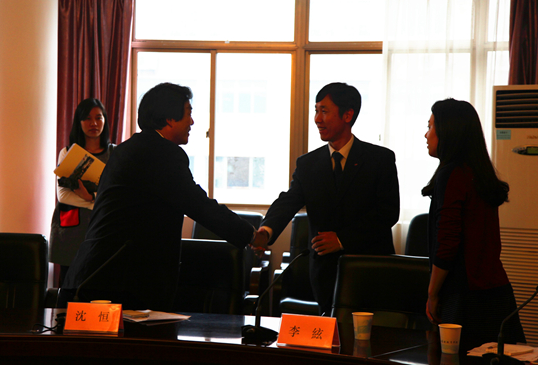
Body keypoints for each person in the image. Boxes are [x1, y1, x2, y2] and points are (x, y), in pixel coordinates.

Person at [59, 83, 268, 310]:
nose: (192, 121)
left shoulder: (126, 149)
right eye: (188, 113)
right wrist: (251, 235)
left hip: (91, 277)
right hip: (118, 285)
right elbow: (199, 205)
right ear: (170, 119)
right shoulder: (163, 154)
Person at [258, 82, 400, 315]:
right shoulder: (308, 164)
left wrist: (342, 239)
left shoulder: (379, 159)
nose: (317, 119)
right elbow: (289, 201)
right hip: (325, 274)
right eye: (316, 111)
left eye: (324, 111)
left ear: (347, 115)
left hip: (369, 270)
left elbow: (388, 213)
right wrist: (266, 231)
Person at [423, 98, 525, 349]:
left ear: (448, 131)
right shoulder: (477, 172)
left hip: (464, 297)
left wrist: (432, 294)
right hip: (496, 292)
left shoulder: (452, 174)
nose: (426, 134)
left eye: (430, 126)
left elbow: (447, 243)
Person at [49, 98, 115, 286]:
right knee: (70, 284)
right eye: (87, 118)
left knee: (101, 284)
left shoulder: (114, 153)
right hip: (72, 231)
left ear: (105, 120)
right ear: (79, 122)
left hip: (103, 228)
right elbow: (63, 196)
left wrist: (89, 196)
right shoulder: (67, 152)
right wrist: (96, 201)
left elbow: (116, 195)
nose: (93, 123)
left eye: (98, 117)